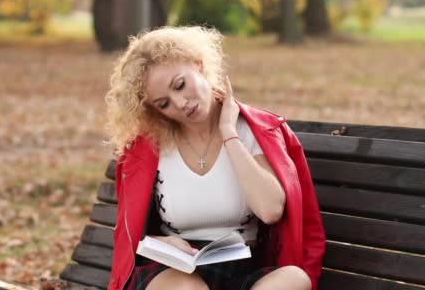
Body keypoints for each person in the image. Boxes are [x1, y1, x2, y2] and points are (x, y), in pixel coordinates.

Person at [104, 26, 325, 290]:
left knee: (293, 279)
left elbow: (270, 210)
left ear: (198, 65)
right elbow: (130, 236)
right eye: (164, 103)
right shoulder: (150, 147)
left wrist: (229, 134)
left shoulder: (253, 130)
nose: (180, 103)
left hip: (244, 268)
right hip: (176, 273)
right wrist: (160, 242)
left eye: (180, 85)